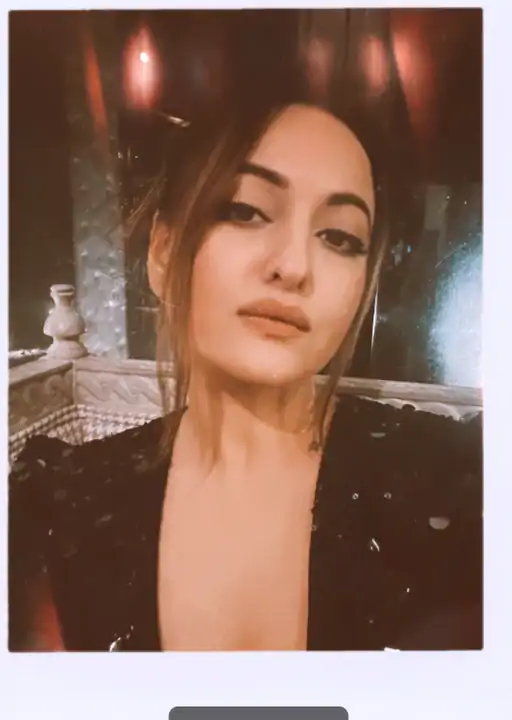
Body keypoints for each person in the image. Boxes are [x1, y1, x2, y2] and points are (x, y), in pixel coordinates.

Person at [9, 103, 482, 652]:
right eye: (247, 211)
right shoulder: (66, 506)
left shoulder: (458, 483)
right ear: (163, 252)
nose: (295, 267)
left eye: (340, 238)